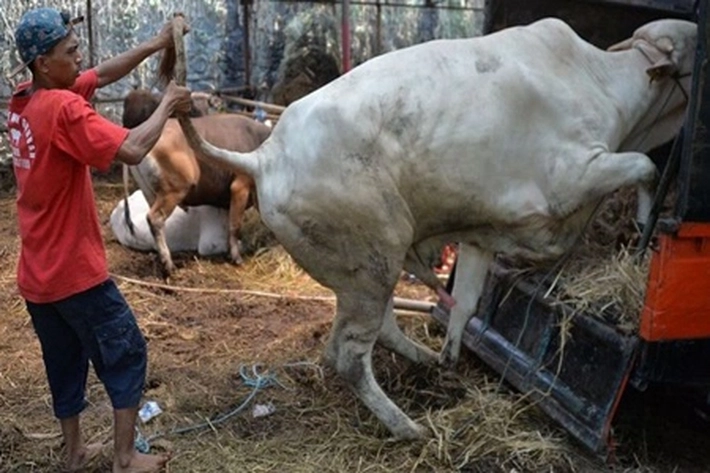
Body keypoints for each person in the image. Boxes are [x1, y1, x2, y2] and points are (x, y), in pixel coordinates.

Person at [7, 7, 193, 473]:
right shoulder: (65, 108)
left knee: (64, 363)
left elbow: (100, 74)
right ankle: (126, 458)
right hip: (76, 273)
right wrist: (168, 104)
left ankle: (74, 454)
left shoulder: (26, 99)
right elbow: (130, 148)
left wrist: (154, 45)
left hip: (38, 275)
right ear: (44, 63)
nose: (80, 55)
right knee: (126, 351)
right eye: (70, 51)